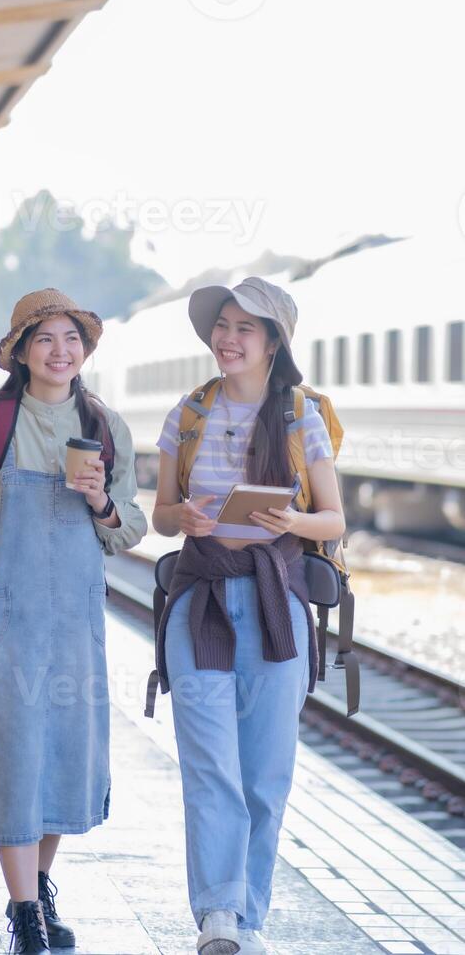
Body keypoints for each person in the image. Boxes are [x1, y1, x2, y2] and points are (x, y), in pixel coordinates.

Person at [0, 288, 147, 955]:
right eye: (45, 339)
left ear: (85, 350)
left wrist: (103, 501)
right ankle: (24, 915)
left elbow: (128, 528)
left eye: (71, 339)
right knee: (12, 758)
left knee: (62, 759)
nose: (60, 351)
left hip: (74, 622)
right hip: (7, 620)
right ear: (20, 351)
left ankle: (40, 889)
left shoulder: (107, 428)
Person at [151, 277, 345, 955]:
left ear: (272, 342)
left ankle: (250, 917)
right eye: (222, 325)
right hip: (200, 597)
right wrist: (186, 517)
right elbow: (161, 513)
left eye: (245, 328)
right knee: (210, 769)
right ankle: (217, 918)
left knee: (265, 772)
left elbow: (334, 517)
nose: (227, 338)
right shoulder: (189, 412)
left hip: (274, 604)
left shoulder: (299, 416)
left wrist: (293, 518)